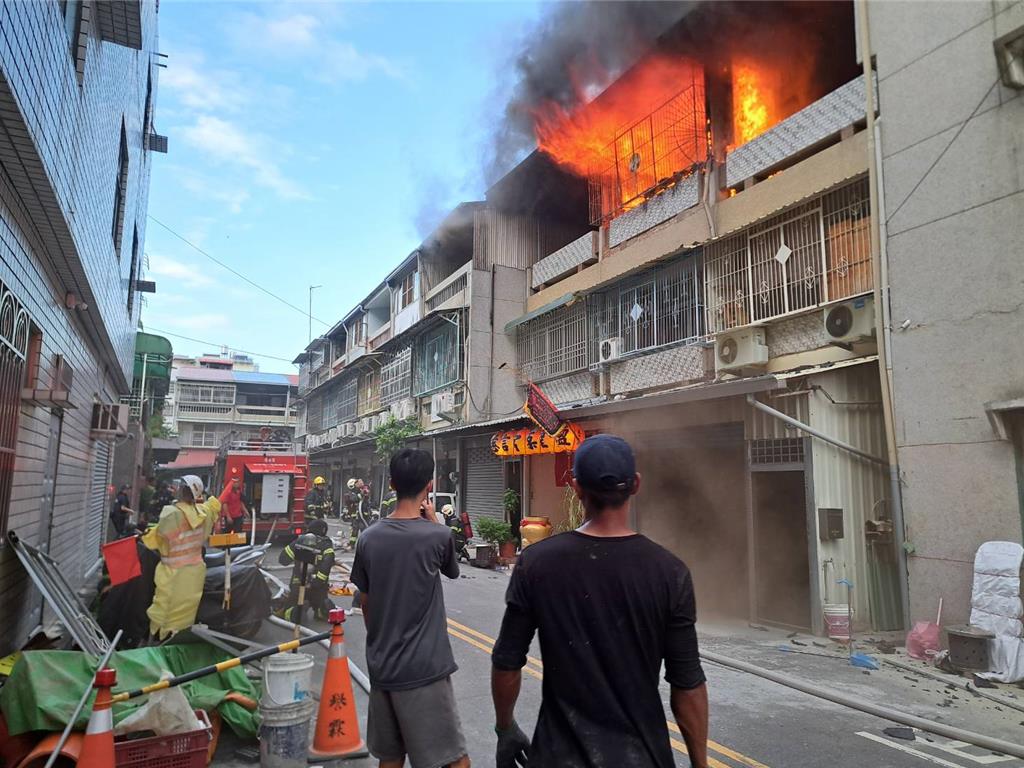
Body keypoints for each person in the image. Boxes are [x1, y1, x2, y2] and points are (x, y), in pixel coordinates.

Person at [490, 434, 709, 768]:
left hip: (557, 757)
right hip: (644, 758)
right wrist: (700, 763)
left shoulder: (537, 563)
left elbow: (507, 661)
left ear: (576, 488)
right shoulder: (670, 572)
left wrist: (505, 728)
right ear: (635, 485)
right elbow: (688, 682)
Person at [350, 448, 468, 768]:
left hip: (382, 666)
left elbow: (366, 602)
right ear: (429, 486)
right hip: (424, 669)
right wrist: (434, 522)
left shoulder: (368, 538)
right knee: (456, 761)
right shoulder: (438, 536)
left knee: (391, 758)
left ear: (391, 484)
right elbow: (452, 571)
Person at [142, 475, 220, 641]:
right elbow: (210, 510)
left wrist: (147, 535)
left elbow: (158, 538)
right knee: (185, 613)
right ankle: (177, 641)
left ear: (183, 491)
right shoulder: (203, 514)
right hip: (193, 574)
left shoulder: (172, 514)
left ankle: (156, 641)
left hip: (172, 573)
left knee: (164, 611)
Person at [278, 518, 336, 622]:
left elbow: (283, 560)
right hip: (317, 588)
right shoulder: (327, 545)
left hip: (298, 585)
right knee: (326, 609)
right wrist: (316, 583)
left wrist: (297, 548)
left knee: (292, 611)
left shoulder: (299, 541)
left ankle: (293, 612)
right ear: (323, 530)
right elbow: (325, 567)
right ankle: (320, 611)